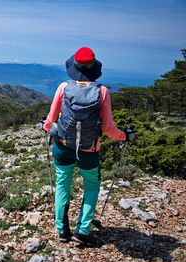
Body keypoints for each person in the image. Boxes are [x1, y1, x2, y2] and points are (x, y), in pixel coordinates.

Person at [43, 47, 135, 246]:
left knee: (62, 186)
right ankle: (83, 230)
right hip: (89, 150)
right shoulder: (102, 92)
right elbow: (109, 129)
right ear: (94, 67)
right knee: (91, 187)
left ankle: (62, 230)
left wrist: (47, 126)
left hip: (63, 146)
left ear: (74, 66)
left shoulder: (63, 88)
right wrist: (125, 136)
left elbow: (49, 122)